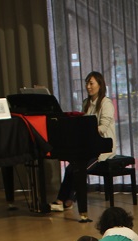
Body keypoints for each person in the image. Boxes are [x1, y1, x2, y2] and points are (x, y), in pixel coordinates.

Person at [49, 70, 117, 223]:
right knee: (71, 167)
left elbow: (103, 127)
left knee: (79, 169)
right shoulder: (86, 103)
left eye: (91, 83)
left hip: (103, 148)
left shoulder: (106, 103)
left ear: (100, 85)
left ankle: (68, 200)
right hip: (88, 146)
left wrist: (88, 132)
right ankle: (63, 200)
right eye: (87, 83)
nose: (88, 86)